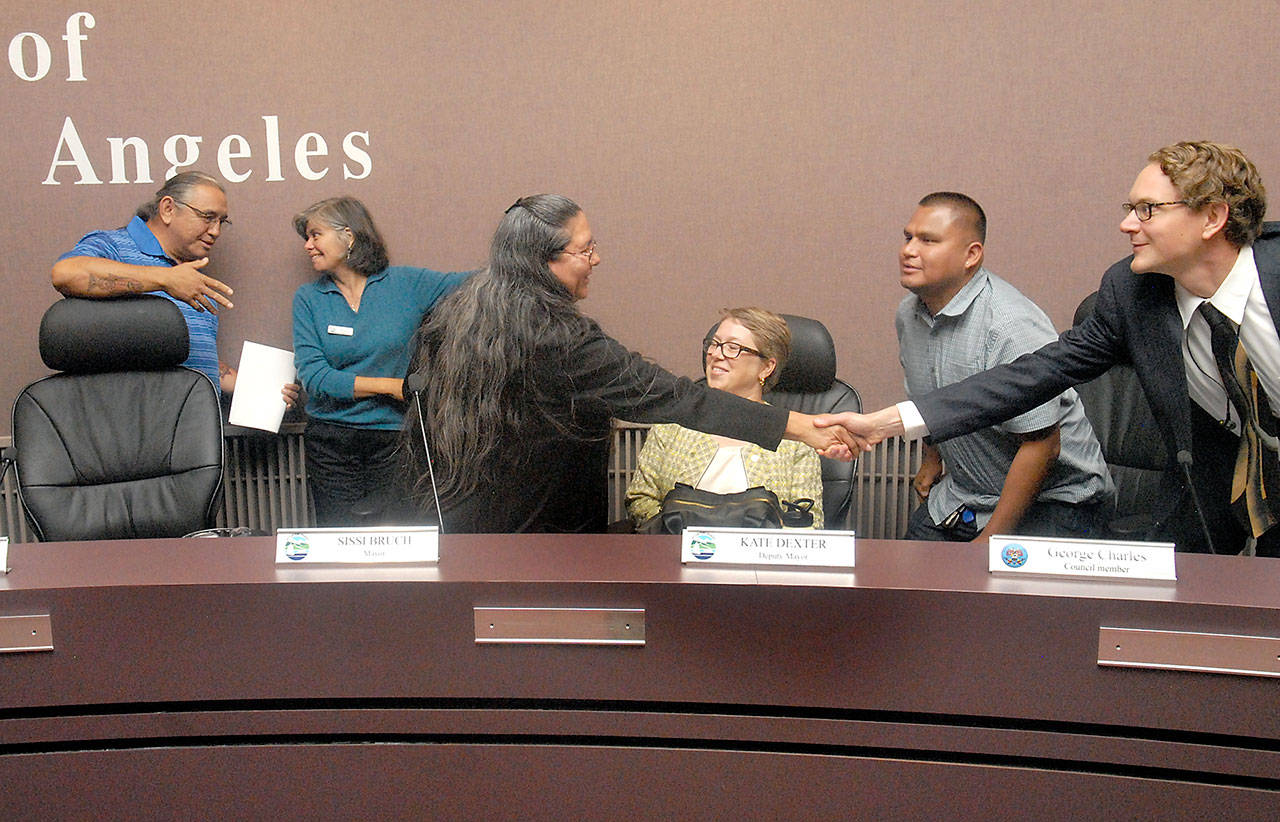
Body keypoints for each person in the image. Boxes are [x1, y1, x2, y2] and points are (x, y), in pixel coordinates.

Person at [819, 141, 1280, 557]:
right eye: (1130, 207)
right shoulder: (1133, 292)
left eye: (1147, 210)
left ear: (1213, 218)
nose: (1126, 224)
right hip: (1221, 484)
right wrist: (890, 421)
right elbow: (1032, 375)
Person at [402, 194, 852, 533]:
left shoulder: (457, 310)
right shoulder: (557, 339)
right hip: (543, 535)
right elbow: (673, 399)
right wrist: (799, 427)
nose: (596, 258)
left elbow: (413, 393)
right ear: (542, 261)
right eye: (584, 250)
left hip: (459, 523)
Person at [894, 192, 1113, 541]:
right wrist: (932, 458)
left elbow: (1044, 445)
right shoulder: (909, 315)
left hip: (1054, 501)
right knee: (907, 579)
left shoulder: (1009, 325)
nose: (908, 250)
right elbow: (932, 400)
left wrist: (990, 543)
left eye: (928, 241)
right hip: (967, 493)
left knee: (988, 590)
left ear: (971, 255)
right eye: (908, 237)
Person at [291, 197, 472, 526]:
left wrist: (527, 253)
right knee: (338, 543)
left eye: (315, 234)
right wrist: (390, 387)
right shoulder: (308, 299)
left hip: (393, 441)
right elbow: (314, 376)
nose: (308, 245)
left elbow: (474, 283)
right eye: (307, 237)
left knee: (394, 540)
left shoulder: (407, 285)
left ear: (348, 236)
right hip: (330, 442)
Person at [52, 171, 297, 404]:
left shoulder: (191, 276)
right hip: (132, 425)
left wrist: (253, 386)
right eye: (207, 217)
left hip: (194, 426)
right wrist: (165, 279)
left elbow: (193, 359)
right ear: (168, 209)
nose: (216, 231)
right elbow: (66, 273)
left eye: (222, 221)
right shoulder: (114, 246)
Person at [625, 307, 825, 529]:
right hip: (676, 554)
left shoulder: (794, 440)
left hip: (760, 560)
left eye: (733, 348)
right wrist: (676, 533)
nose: (716, 354)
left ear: (766, 367)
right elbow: (640, 499)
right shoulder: (672, 424)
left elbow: (810, 523)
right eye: (715, 344)